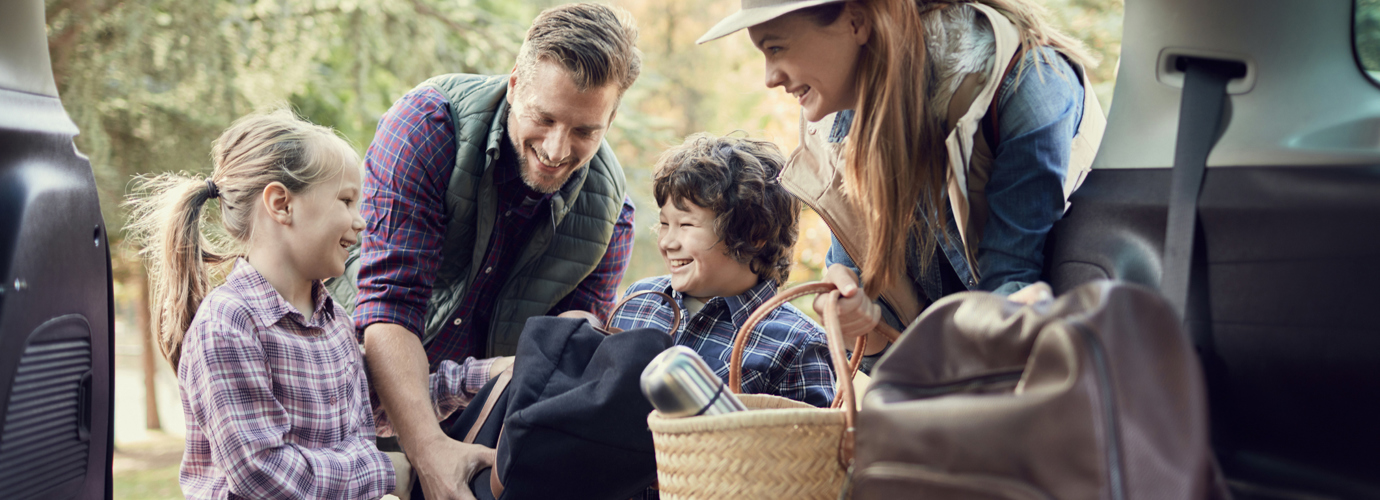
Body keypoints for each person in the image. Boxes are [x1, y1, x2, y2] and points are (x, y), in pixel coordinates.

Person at [327, 4, 643, 499]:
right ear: (515, 84)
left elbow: (560, 369)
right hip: (351, 404)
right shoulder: (427, 126)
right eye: (545, 118)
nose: (558, 150)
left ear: (611, 116)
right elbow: (389, 307)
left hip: (483, 427)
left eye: (585, 131)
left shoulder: (611, 212)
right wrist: (429, 452)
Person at [698, 0, 1105, 364]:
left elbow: (1008, 291)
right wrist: (854, 316)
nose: (769, 78)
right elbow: (879, 336)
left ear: (856, 22)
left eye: (776, 48)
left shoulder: (1027, 86)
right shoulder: (845, 134)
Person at [126, 110, 399, 499]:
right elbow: (262, 471)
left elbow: (380, 400)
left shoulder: (334, 320)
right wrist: (385, 470)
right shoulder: (228, 325)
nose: (361, 221)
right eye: (346, 201)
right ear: (282, 204)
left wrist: (489, 374)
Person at [609, 133, 836, 408]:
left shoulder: (798, 344)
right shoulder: (640, 300)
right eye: (664, 224)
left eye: (686, 225)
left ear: (753, 235)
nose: (667, 242)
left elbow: (810, 444)